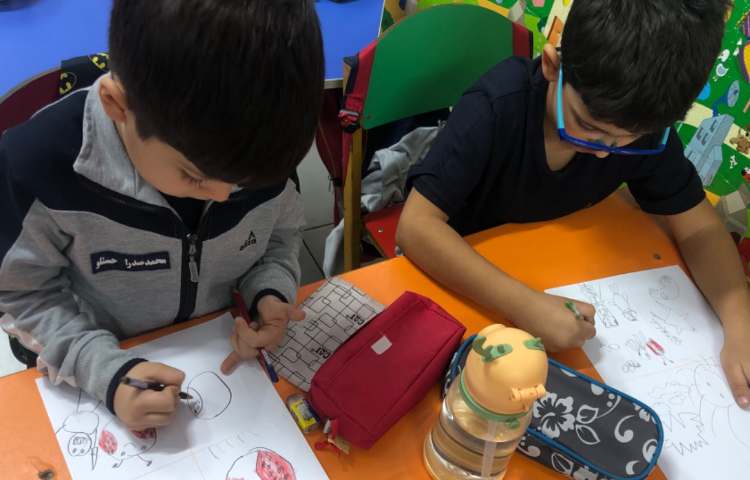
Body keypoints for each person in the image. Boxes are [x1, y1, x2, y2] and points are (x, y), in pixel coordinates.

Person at [397, 0, 750, 408]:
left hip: (550, 270)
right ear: (553, 66)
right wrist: (524, 304)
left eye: (627, 140)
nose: (604, 151)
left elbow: (699, 227)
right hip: (459, 278)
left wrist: (740, 322)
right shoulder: (496, 106)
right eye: (587, 127)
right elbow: (416, 227)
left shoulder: (639, 127)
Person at [0, 0, 324, 429]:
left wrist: (267, 293)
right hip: (98, 369)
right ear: (117, 105)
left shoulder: (256, 149)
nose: (224, 196)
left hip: (219, 359)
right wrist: (105, 371)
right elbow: (22, 294)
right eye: (194, 176)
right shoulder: (35, 167)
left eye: (243, 183)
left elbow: (279, 235)